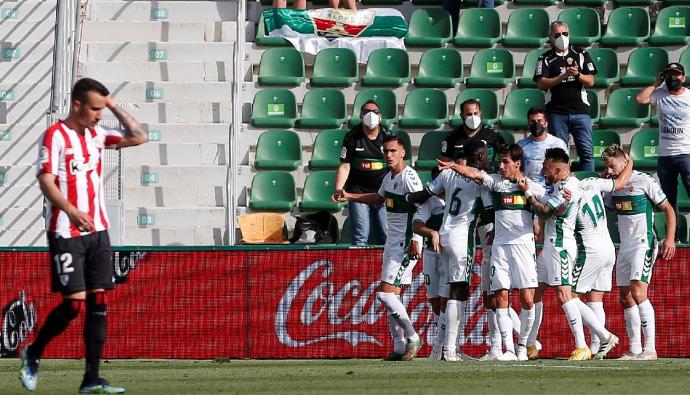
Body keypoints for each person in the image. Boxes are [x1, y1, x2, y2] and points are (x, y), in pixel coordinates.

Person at [20, 78, 147, 393]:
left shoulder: (97, 135)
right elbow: (47, 181)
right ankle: (33, 353)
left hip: (99, 232)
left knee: (99, 303)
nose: (99, 115)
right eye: (94, 108)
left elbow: (139, 136)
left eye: (102, 109)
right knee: (74, 305)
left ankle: (91, 378)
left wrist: (112, 104)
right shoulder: (55, 136)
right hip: (66, 231)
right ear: (77, 105)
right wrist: (71, 210)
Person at [438, 144, 544, 361]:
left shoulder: (531, 185)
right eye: (500, 161)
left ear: (518, 163)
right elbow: (475, 173)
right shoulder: (495, 182)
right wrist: (454, 167)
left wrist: (530, 199)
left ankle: (523, 347)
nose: (501, 166)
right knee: (500, 296)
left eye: (506, 162)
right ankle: (509, 350)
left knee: (527, 299)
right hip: (500, 248)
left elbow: (547, 208)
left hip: (524, 247)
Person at [519, 148, 619, 361]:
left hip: (561, 246)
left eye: (546, 169)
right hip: (549, 247)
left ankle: (589, 343)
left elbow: (546, 212)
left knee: (566, 295)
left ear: (557, 170)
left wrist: (528, 194)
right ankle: (530, 344)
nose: (543, 172)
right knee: (534, 293)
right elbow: (546, 195)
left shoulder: (569, 188)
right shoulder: (560, 186)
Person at [340, 135, 424, 361]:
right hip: (392, 243)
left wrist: (416, 238)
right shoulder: (389, 178)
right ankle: (398, 348)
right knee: (391, 295)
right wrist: (350, 195)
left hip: (406, 244)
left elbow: (422, 207)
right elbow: (378, 199)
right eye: (386, 151)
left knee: (384, 295)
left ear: (403, 153)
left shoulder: (410, 178)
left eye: (393, 151)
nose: (388, 155)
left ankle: (412, 336)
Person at [407, 140, 492, 361]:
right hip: (462, 239)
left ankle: (442, 349)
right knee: (459, 293)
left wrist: (405, 198)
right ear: (481, 156)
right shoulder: (480, 181)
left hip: (443, 236)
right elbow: (490, 211)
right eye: (487, 155)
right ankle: (450, 350)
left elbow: (423, 195)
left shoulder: (447, 174)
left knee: (449, 294)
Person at [602, 145, 676, 360]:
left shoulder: (643, 180)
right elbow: (607, 208)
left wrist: (669, 238)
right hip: (624, 245)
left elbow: (668, 209)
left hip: (643, 242)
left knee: (638, 291)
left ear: (625, 161)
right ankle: (634, 349)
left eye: (613, 165)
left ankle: (650, 349)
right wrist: (604, 180)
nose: (610, 170)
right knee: (625, 297)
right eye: (607, 166)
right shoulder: (613, 185)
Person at [571, 154, 633, 356]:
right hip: (608, 248)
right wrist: (629, 163)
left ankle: (604, 337)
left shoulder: (569, 190)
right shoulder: (593, 183)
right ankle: (598, 348)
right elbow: (620, 182)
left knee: (569, 296)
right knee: (595, 299)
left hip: (590, 249)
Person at [535, 21, 597, 171]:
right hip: (556, 112)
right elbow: (541, 83)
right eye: (557, 35)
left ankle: (589, 188)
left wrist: (576, 75)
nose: (562, 37)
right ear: (550, 37)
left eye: (565, 34)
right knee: (561, 154)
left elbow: (590, 81)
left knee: (587, 153)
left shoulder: (581, 54)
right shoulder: (545, 58)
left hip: (580, 111)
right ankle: (562, 187)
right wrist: (562, 77)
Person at [636, 62, 690, 235]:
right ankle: (672, 237)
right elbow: (641, 99)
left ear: (683, 77)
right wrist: (655, 82)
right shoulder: (659, 93)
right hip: (666, 156)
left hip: (686, 153)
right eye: (668, 74)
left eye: (676, 74)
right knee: (668, 200)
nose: (672, 78)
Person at [333, 100, 390, 246]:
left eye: (374, 112)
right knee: (360, 236)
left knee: (386, 234)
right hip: (358, 192)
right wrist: (339, 189)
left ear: (380, 116)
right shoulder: (352, 137)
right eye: (366, 112)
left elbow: (395, 166)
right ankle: (361, 268)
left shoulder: (388, 137)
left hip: (382, 193)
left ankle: (387, 268)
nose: (370, 115)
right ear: (360, 115)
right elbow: (345, 166)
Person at [411, 166, 449, 361]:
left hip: (449, 255)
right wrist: (430, 233)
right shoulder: (429, 201)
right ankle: (441, 347)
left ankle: (442, 347)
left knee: (446, 300)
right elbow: (417, 224)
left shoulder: (456, 196)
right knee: (435, 300)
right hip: (430, 253)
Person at [518, 107, 569, 244]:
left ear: (546, 122)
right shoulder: (521, 145)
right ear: (528, 123)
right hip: (530, 191)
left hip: (552, 192)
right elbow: (519, 171)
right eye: (532, 121)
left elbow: (565, 168)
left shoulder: (558, 143)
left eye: (539, 121)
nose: (536, 124)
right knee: (536, 232)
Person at [439, 99, 505, 169]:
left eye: (476, 113)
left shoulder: (492, 134)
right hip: (462, 176)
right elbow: (443, 163)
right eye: (469, 114)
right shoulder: (453, 137)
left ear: (480, 113)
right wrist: (456, 165)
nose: (473, 117)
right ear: (462, 115)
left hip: (488, 175)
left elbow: (505, 157)